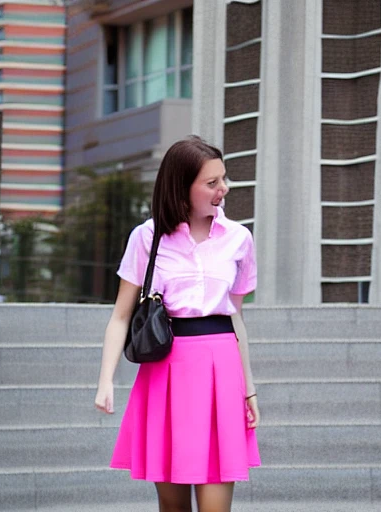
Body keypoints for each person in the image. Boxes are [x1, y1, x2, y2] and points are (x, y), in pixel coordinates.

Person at [94, 135, 261, 512]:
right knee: (173, 507)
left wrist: (248, 389)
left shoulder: (239, 238)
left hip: (221, 371)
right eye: (212, 182)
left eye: (224, 178)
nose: (223, 189)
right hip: (166, 372)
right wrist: (106, 381)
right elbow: (120, 316)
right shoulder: (146, 237)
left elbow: (237, 318)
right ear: (182, 188)